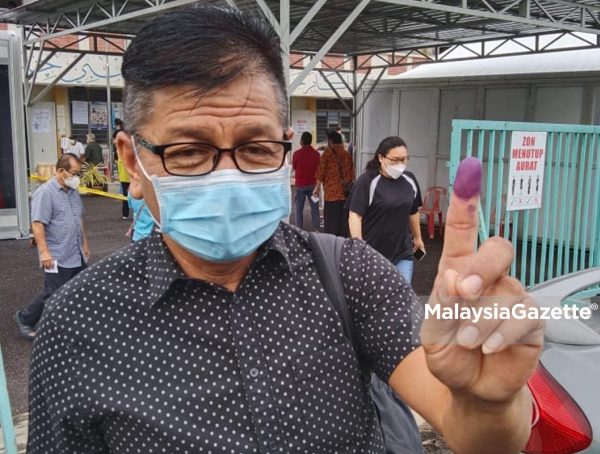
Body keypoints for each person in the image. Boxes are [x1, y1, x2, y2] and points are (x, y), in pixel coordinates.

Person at [26, 6, 543, 454]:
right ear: (131, 162)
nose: (225, 178)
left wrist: (488, 401)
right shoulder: (77, 322)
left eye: (255, 148)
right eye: (187, 152)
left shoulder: (352, 275)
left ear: (286, 147)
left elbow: (477, 437)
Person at [15, 153, 89, 340]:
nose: (75, 178)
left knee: (77, 289)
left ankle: (67, 326)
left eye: (77, 173)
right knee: (53, 292)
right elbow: (38, 223)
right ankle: (25, 318)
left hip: (75, 251)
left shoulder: (72, 192)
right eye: (73, 173)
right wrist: (44, 252)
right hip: (57, 253)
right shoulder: (46, 193)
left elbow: (77, 218)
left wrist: (85, 243)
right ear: (61, 171)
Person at [347, 136, 425, 285]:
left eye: (404, 159)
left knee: (401, 298)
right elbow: (355, 215)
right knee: (376, 300)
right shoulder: (367, 182)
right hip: (372, 254)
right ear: (381, 158)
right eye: (395, 160)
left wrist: (417, 237)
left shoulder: (410, 180)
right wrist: (358, 246)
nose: (400, 164)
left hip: (402, 252)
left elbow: (413, 211)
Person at [313, 131, 353, 236]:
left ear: (330, 141)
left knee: (331, 226)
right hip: (345, 195)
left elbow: (320, 173)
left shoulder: (327, 154)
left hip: (331, 196)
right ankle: (342, 247)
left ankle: (331, 248)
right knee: (343, 225)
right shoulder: (346, 155)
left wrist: (316, 188)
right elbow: (351, 175)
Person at [291, 131, 320, 230]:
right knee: (315, 209)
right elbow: (319, 169)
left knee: (299, 209)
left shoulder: (296, 154)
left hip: (300, 186)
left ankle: (299, 229)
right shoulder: (316, 154)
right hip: (313, 185)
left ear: (302, 141)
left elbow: (294, 167)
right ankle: (316, 230)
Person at [114, 120, 131, 219]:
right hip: (130, 173)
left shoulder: (119, 143)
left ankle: (125, 213)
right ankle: (133, 213)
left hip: (125, 173)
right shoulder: (130, 142)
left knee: (125, 194)